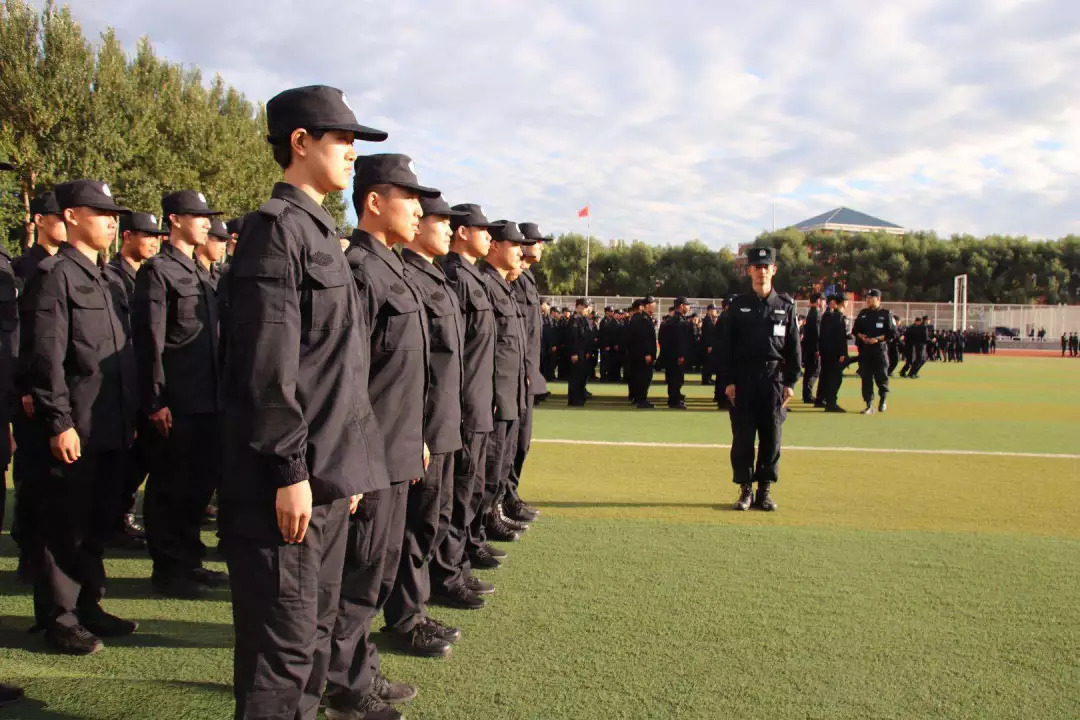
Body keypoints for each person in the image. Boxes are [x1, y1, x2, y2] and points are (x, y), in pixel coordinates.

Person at [219, 84, 385, 720]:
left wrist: (347, 468)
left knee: (312, 639)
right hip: (284, 487)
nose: (351, 154)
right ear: (300, 142)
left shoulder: (322, 233)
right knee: (280, 652)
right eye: (343, 139)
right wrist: (289, 472)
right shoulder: (276, 232)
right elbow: (269, 369)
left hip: (325, 477)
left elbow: (336, 367)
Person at [326, 153, 436, 720]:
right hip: (366, 456)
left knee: (378, 569)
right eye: (408, 197)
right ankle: (342, 687)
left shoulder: (391, 266)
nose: (418, 209)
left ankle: (356, 667)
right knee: (359, 572)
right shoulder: (360, 272)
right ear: (374, 201)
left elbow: (400, 372)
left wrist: (413, 434)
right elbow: (348, 377)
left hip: (394, 447)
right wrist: (350, 461)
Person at [24, 179, 139, 654]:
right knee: (63, 526)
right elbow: (45, 358)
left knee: (94, 524)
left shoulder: (107, 279)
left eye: (114, 214)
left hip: (109, 423)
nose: (112, 222)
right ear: (72, 217)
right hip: (76, 426)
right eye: (100, 213)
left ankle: (88, 605)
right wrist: (58, 422)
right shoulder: (55, 275)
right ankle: (60, 618)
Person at [381, 194, 469, 659]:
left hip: (442, 423)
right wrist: (418, 432)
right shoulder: (407, 276)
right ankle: (404, 619)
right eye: (441, 222)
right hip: (422, 430)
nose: (449, 231)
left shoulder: (432, 277)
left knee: (431, 522)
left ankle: (415, 606)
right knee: (414, 526)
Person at [133, 189, 226, 599]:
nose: (207, 223)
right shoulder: (158, 271)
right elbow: (149, 341)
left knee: (197, 485)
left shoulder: (201, 273)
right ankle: (168, 568)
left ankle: (189, 561)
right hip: (177, 401)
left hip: (209, 400)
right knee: (170, 486)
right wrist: (156, 400)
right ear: (174, 219)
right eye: (198, 216)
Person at [433, 203, 502, 604]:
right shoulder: (456, 277)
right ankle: (446, 576)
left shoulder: (470, 276)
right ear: (463, 233)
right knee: (457, 494)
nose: (489, 237)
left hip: (477, 402)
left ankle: (457, 567)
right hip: (461, 406)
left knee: (469, 490)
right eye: (482, 230)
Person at [11, 190, 67, 582]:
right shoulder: (22, 269)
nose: (63, 223)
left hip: (59, 390)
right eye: (56, 217)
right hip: (30, 391)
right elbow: (20, 337)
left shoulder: (70, 267)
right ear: (40, 221)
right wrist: (26, 387)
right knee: (31, 475)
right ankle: (27, 551)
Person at [717, 247, 800, 512]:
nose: (761, 271)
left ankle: (764, 490)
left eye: (766, 266)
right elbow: (726, 346)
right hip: (744, 378)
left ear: (774, 270)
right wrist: (729, 380)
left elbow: (794, 347)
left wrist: (791, 382)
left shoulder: (785, 306)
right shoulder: (738, 305)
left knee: (772, 436)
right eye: (757, 266)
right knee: (742, 436)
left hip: (773, 379)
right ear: (749, 271)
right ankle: (745, 490)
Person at [102, 211, 165, 548]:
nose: (154, 241)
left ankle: (121, 516)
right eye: (147, 234)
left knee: (142, 458)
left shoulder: (148, 275)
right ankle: (114, 520)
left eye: (157, 235)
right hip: (121, 382)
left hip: (143, 380)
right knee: (123, 460)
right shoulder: (112, 277)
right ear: (127, 236)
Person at [476, 221, 529, 541]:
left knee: (502, 460)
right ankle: (482, 523)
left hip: (510, 390)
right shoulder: (485, 283)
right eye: (514, 245)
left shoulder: (502, 285)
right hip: (496, 392)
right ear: (495, 246)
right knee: (490, 463)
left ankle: (493, 512)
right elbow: (487, 346)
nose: (520, 251)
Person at [507, 222, 547, 522]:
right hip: (518, 372)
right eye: (538, 242)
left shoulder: (527, 278)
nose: (542, 247)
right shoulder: (514, 279)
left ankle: (510, 496)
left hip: (528, 371)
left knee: (522, 442)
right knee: (511, 444)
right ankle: (503, 500)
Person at [852, 289, 897, 414]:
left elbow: (892, 333)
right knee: (866, 378)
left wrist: (877, 339)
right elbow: (855, 330)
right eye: (867, 298)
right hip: (865, 351)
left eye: (871, 298)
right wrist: (862, 337)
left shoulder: (886, 314)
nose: (868, 300)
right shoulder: (863, 313)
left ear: (878, 299)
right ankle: (869, 404)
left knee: (881, 377)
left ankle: (883, 399)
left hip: (879, 351)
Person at [817, 294, 850, 412]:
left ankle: (821, 399)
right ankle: (831, 403)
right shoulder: (839, 317)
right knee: (835, 378)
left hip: (826, 352)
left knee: (826, 376)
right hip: (834, 353)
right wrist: (842, 353)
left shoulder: (829, 316)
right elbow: (839, 337)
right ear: (842, 302)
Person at [626, 296, 658, 408]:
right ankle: (641, 400)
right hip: (643, 355)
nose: (654, 305)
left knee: (641, 376)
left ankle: (638, 398)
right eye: (652, 303)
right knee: (643, 377)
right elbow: (643, 339)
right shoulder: (642, 319)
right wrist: (647, 353)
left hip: (640, 354)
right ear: (646, 306)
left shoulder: (644, 318)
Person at [662, 297, 693, 409]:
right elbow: (679, 340)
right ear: (681, 306)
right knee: (675, 378)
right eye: (687, 305)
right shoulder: (677, 320)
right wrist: (680, 355)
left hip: (673, 355)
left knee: (676, 378)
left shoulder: (675, 319)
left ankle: (675, 398)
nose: (689, 307)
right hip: (675, 356)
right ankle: (674, 400)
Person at [566, 298, 596, 406]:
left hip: (582, 352)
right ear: (579, 307)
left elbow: (586, 337)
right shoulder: (574, 319)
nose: (586, 309)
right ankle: (574, 400)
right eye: (585, 307)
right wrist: (574, 353)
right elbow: (573, 338)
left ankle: (579, 397)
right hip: (577, 353)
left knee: (581, 377)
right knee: (575, 377)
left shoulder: (582, 319)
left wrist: (587, 351)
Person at [801, 292, 824, 404]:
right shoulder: (816, 313)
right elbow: (816, 333)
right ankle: (808, 395)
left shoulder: (811, 312)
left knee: (809, 372)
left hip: (807, 348)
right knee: (814, 371)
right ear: (819, 301)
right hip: (812, 348)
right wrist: (817, 349)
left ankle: (806, 394)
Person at [701, 303, 719, 385]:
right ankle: (706, 379)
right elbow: (708, 334)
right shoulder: (707, 320)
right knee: (707, 363)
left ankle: (708, 378)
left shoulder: (710, 319)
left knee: (710, 362)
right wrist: (709, 345)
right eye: (714, 309)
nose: (715, 311)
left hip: (709, 344)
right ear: (710, 310)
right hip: (708, 345)